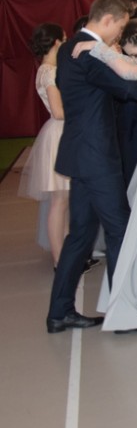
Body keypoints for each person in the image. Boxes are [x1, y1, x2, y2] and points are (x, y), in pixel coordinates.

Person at [47, 0, 137, 334]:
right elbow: (124, 86)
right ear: (109, 20)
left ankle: (60, 311)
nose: (120, 35)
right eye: (122, 26)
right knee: (120, 230)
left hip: (80, 154)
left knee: (80, 235)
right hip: (97, 156)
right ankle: (126, 315)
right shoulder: (88, 52)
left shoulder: (69, 49)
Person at [18, 23, 72, 269]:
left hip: (60, 133)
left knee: (63, 201)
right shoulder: (49, 71)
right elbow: (59, 111)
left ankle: (64, 254)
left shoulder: (47, 69)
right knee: (60, 201)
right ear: (56, 42)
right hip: (59, 134)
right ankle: (60, 258)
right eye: (64, 38)